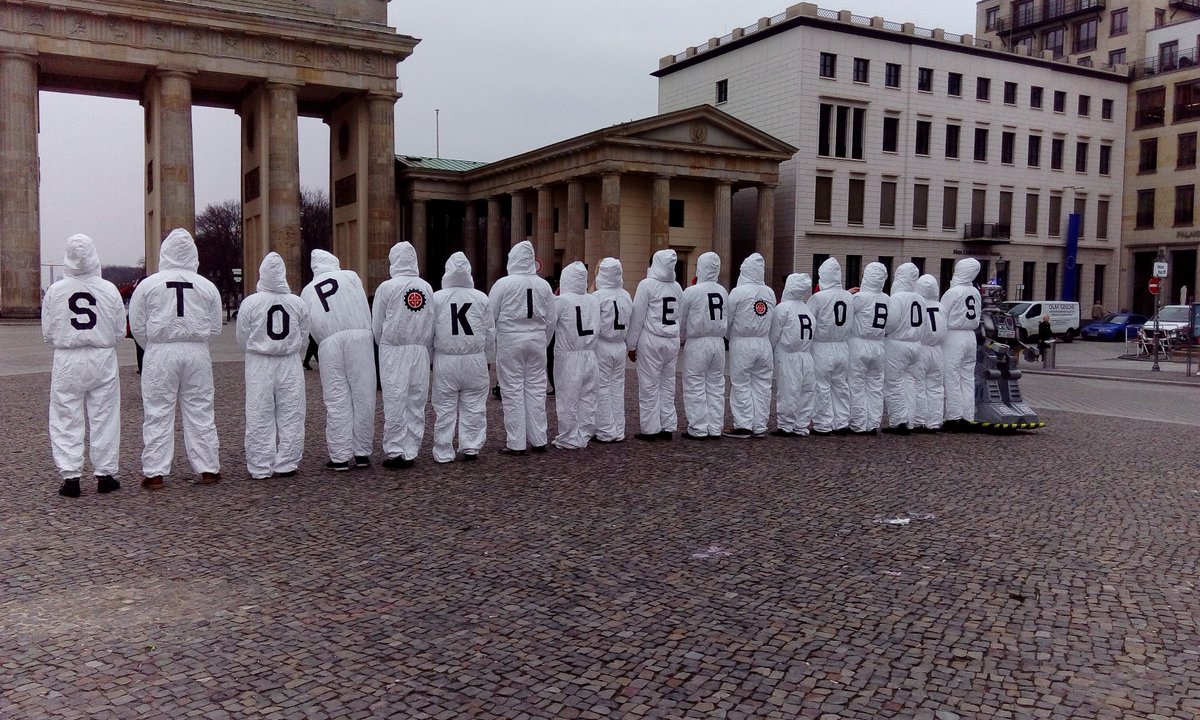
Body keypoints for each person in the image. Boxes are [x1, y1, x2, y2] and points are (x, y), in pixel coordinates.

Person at [129, 228, 223, 488]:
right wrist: (198, 343)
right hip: (196, 351)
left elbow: (137, 324)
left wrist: (152, 347)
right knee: (201, 409)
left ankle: (155, 472)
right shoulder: (207, 286)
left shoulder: (148, 284)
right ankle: (208, 468)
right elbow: (215, 327)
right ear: (193, 255)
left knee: (158, 411)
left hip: (161, 350)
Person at [42, 234, 126, 498]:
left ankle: (71, 478)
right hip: (102, 356)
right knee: (105, 416)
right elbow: (119, 331)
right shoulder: (109, 289)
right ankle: (105, 474)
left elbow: (48, 333)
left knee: (66, 416)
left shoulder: (55, 290)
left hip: (67, 357)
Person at [236, 252, 309, 479]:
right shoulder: (297, 303)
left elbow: (242, 336)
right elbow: (304, 334)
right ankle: (287, 462)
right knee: (292, 413)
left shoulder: (250, 303)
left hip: (259, 361)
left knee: (259, 413)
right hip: (289, 361)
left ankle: (260, 465)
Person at [301, 249, 376, 471]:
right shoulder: (351, 276)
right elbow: (362, 303)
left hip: (329, 342)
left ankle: (339, 456)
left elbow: (309, 324)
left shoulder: (308, 290)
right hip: (359, 337)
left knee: (336, 399)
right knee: (363, 395)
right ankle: (361, 453)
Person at [372, 242, 434, 470]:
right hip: (419, 350)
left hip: (394, 350)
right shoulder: (426, 287)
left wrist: (384, 344)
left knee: (395, 400)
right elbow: (432, 321)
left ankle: (395, 449)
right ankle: (411, 449)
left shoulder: (386, 288)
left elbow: (377, 324)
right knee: (416, 401)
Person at [488, 240, 555, 455]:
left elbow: (490, 317)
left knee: (513, 390)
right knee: (536, 390)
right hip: (536, 338)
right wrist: (543, 340)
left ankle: (516, 442)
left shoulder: (503, 284)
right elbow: (552, 319)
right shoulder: (543, 285)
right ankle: (539, 438)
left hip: (510, 339)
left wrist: (492, 346)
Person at [431, 252, 495, 463]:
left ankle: (443, 450)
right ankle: (470, 446)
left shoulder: (437, 298)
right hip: (475, 358)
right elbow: (490, 332)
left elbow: (429, 331)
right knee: (475, 406)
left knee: (444, 407)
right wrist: (489, 358)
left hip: (446, 359)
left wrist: (431, 359)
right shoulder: (481, 297)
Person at [627, 249, 684, 441]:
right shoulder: (677, 287)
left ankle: (650, 429)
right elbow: (680, 315)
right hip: (672, 340)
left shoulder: (646, 285)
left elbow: (638, 317)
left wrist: (631, 345)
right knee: (668, 385)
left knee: (649, 386)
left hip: (652, 339)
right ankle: (667, 425)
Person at [725, 253, 776, 438]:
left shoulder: (738, 292)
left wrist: (731, 338)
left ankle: (743, 424)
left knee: (741, 383)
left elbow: (728, 320)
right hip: (764, 343)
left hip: (743, 341)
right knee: (762, 385)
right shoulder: (769, 292)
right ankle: (759, 425)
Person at [677, 252, 727, 440]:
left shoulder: (691, 291)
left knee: (694, 384)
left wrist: (681, 339)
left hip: (698, 341)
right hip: (718, 342)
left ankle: (698, 427)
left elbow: (681, 320)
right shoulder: (723, 291)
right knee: (716, 385)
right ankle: (715, 427)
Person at [550, 261, 599, 449]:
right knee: (588, 396)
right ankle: (585, 432)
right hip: (589, 353)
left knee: (567, 397)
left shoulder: (561, 301)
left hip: (568, 355)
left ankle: (569, 436)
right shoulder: (593, 300)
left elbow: (549, 325)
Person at [808, 257, 853, 435]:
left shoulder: (818, 298)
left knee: (822, 386)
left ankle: (823, 424)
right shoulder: (848, 296)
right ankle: (841, 422)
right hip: (842, 346)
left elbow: (809, 321)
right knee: (840, 385)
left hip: (822, 346)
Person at [591, 257, 633, 444]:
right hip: (620, 345)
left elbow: (592, 324)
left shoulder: (597, 297)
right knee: (617, 388)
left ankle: (605, 429)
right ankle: (618, 428)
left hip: (602, 344)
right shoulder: (625, 295)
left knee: (602, 388)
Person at [769, 272, 816, 437]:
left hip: (788, 354)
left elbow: (774, 335)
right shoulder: (807, 308)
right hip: (806, 355)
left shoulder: (782, 308)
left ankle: (786, 426)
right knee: (806, 391)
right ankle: (801, 425)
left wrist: (771, 350)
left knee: (788, 390)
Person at [882, 263, 925, 434]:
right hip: (916, 345)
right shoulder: (920, 298)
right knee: (910, 383)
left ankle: (899, 421)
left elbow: (890, 323)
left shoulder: (897, 298)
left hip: (897, 344)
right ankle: (910, 420)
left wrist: (886, 333)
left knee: (894, 384)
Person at [941, 257, 982, 430]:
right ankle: (968, 415)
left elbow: (942, 315)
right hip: (970, 336)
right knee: (967, 378)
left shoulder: (953, 292)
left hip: (954, 335)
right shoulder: (975, 292)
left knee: (951, 377)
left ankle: (953, 416)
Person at [848, 262, 889, 435]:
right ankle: (873, 423)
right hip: (878, 345)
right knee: (875, 387)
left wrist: (847, 295)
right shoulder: (886, 298)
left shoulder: (859, 298)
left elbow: (844, 314)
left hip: (859, 343)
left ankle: (858, 423)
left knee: (856, 385)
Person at [914, 274, 945, 432]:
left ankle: (919, 420)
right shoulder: (941, 306)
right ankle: (934, 421)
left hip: (921, 347)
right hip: (937, 349)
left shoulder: (917, 304)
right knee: (936, 387)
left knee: (919, 385)